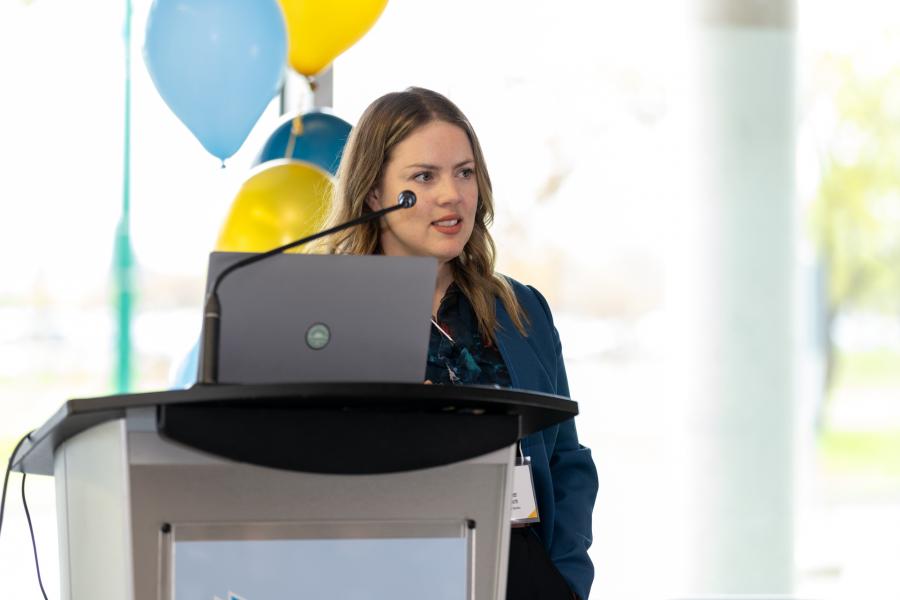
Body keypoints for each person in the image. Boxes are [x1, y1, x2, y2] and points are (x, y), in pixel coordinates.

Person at [318, 87, 598, 600]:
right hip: (388, 576)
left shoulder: (522, 309)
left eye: (464, 172)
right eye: (424, 177)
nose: (452, 195)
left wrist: (564, 578)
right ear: (374, 194)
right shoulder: (324, 316)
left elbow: (568, 461)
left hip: (520, 567)